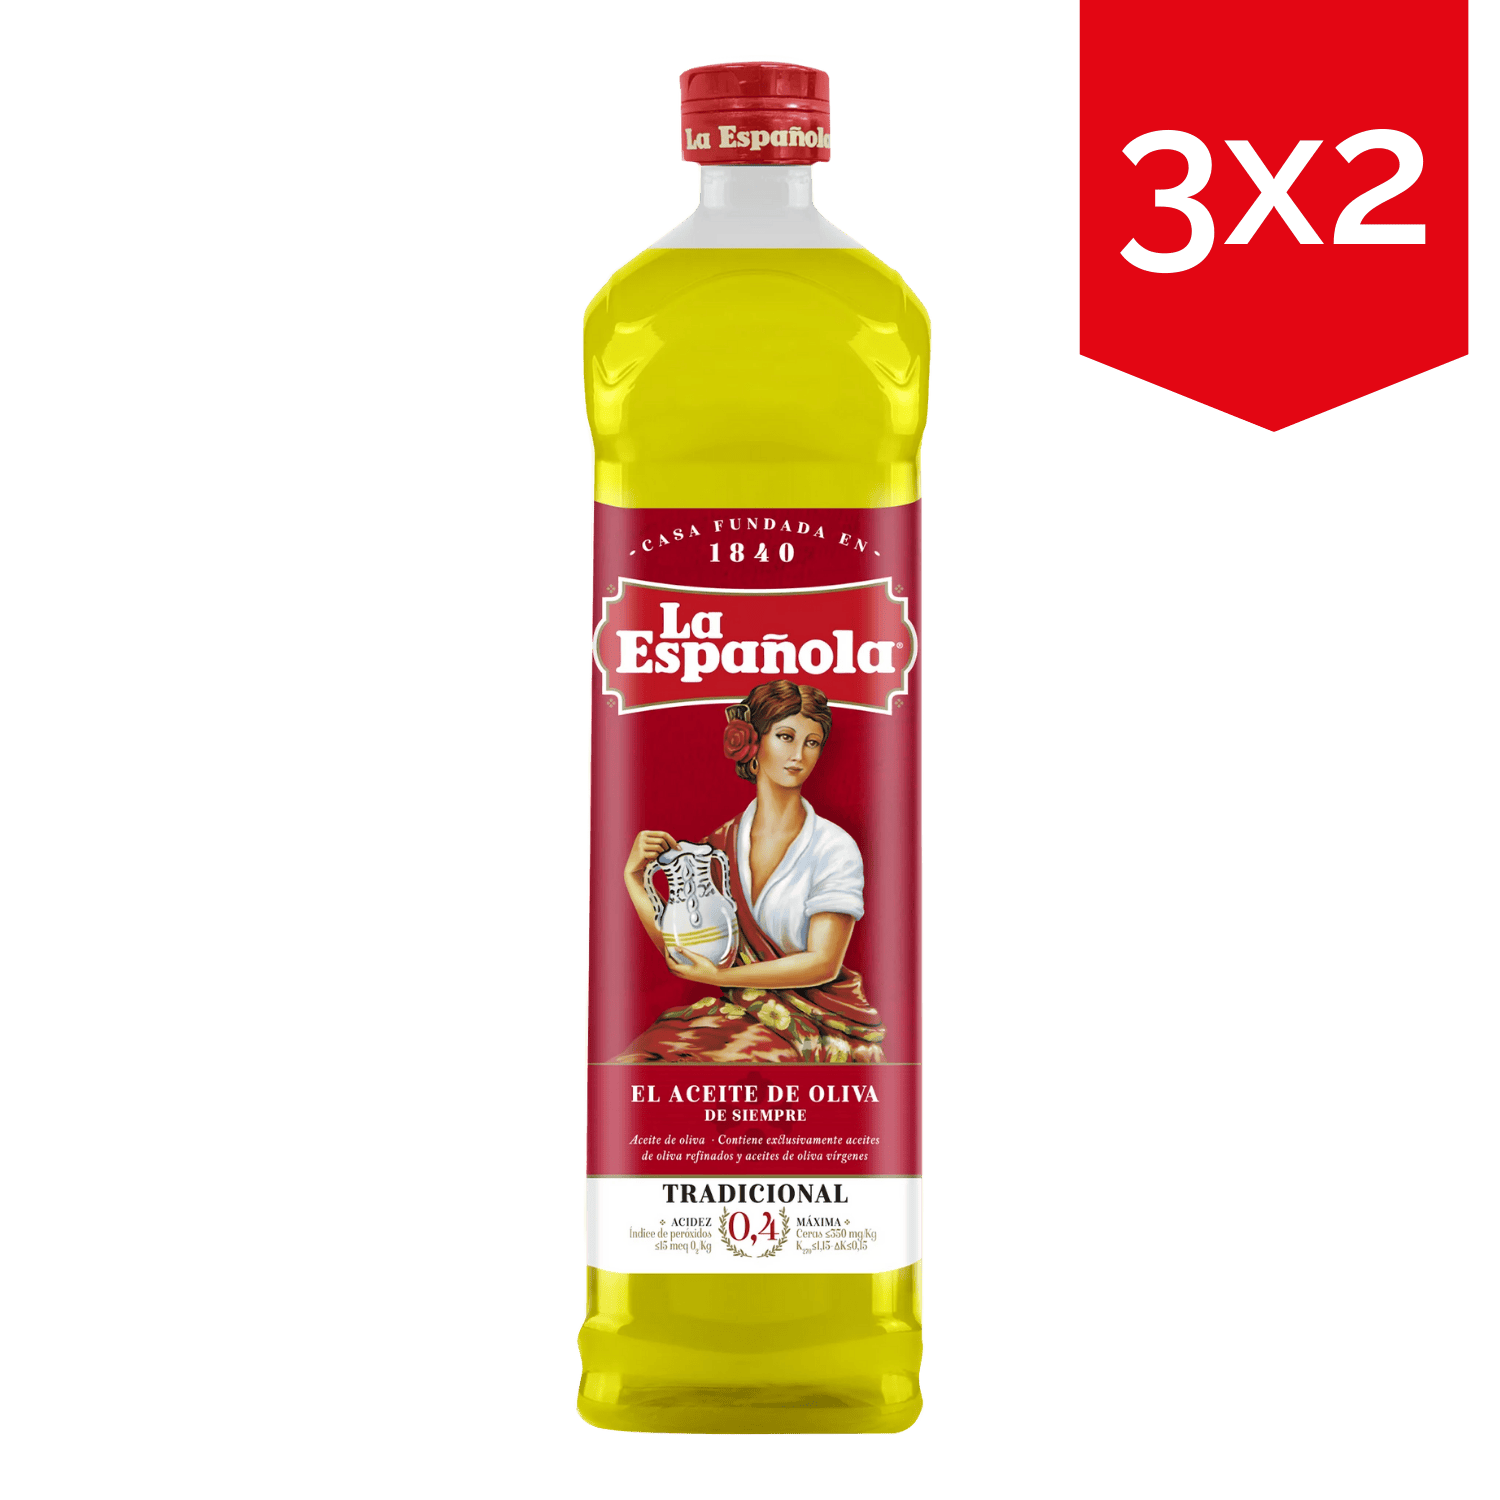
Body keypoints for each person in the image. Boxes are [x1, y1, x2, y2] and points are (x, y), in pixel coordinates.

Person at [618, 681, 885, 1063]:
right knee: (634, 1062)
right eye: (786, 737)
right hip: (741, 1014)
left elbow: (823, 962)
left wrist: (721, 979)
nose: (799, 755)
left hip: (821, 1021)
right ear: (754, 743)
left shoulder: (833, 846)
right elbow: (685, 954)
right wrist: (635, 880)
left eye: (811, 742)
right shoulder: (718, 848)